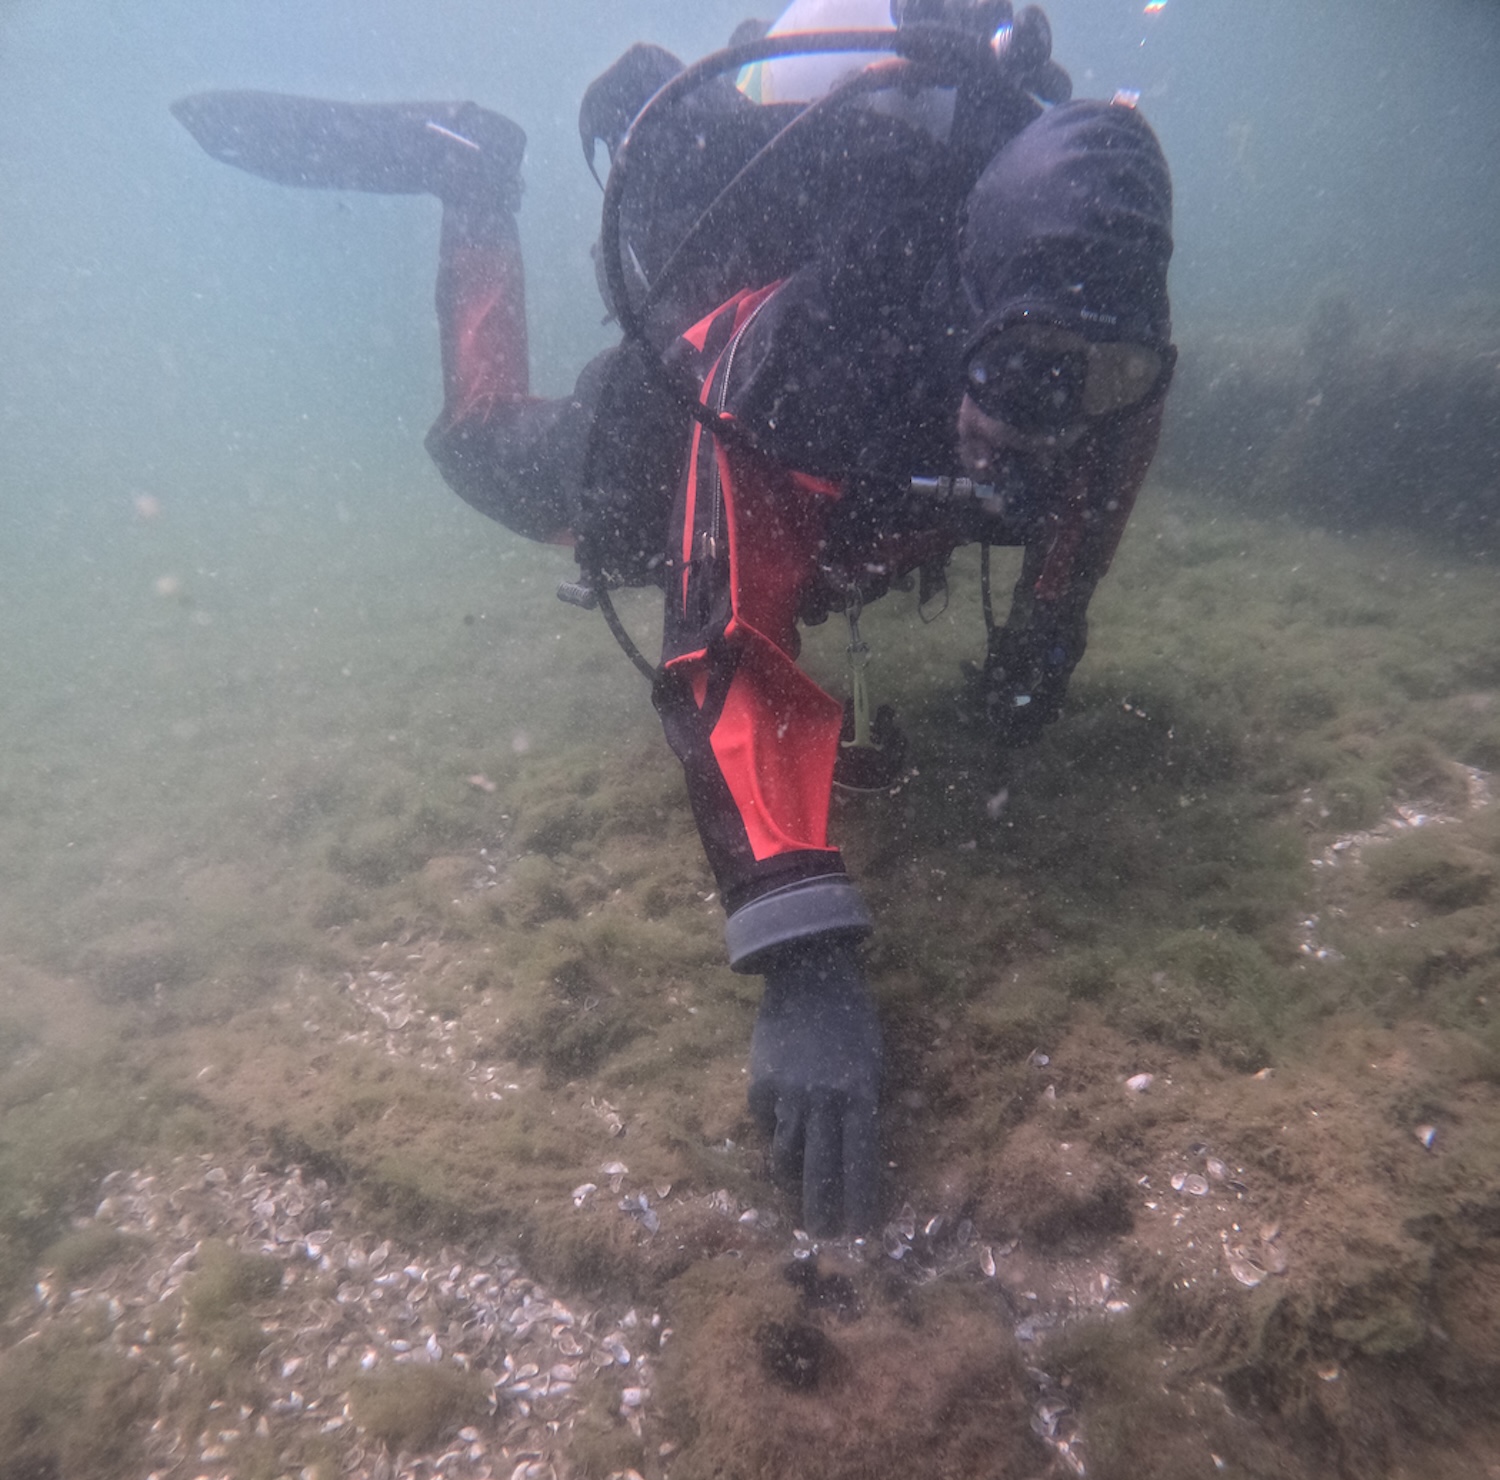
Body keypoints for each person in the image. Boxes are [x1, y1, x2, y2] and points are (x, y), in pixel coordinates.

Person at [172, 0, 1174, 1239]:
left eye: (1107, 377)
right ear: (963, 303)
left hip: (853, 508)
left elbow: (1102, 470)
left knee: (1050, 429)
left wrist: (1043, 641)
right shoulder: (803, 352)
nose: (1049, 424)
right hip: (652, 465)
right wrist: (802, 949)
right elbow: (727, 643)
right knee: (475, 446)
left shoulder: (1088, 364)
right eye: (1025, 375)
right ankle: (468, 172)